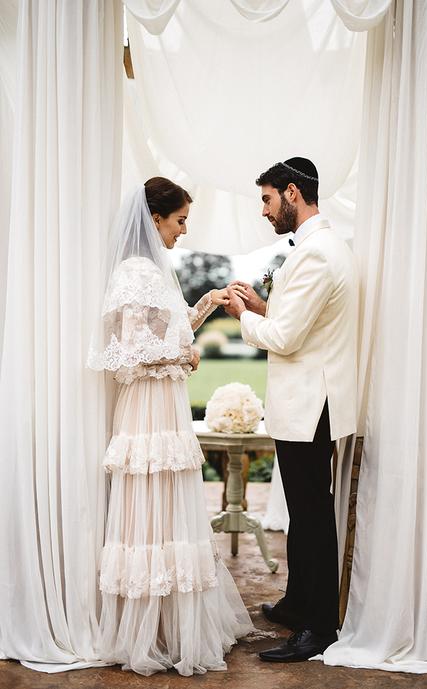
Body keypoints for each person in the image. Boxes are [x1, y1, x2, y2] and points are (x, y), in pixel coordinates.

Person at [87, 177, 253, 676]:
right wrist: (183, 353)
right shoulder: (134, 272)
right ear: (155, 218)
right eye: (179, 221)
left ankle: (168, 621)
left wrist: (209, 302)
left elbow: (174, 328)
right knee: (151, 505)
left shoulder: (155, 271)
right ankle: (149, 628)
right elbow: (130, 354)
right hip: (148, 408)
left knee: (169, 505)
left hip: (165, 404)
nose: (183, 231)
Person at [225, 157, 358, 662]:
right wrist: (263, 306)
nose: (264, 211)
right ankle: (299, 600)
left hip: (311, 403)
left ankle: (318, 626)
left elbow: (284, 337)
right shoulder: (320, 247)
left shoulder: (318, 253)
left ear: (293, 193)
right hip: (308, 402)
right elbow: (298, 320)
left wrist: (243, 316)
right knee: (304, 513)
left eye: (266, 199)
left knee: (312, 514)